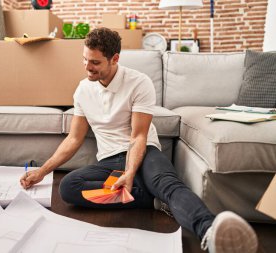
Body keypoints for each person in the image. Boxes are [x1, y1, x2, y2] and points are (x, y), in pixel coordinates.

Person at [20, 27, 258, 253]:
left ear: (114, 59)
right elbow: (74, 138)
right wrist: (43, 171)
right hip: (109, 162)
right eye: (84, 59)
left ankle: (209, 231)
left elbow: (138, 136)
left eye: (95, 62)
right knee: (69, 188)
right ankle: (153, 199)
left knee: (168, 185)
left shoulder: (138, 82)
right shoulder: (83, 90)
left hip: (145, 153)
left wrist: (130, 173)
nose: (87, 67)